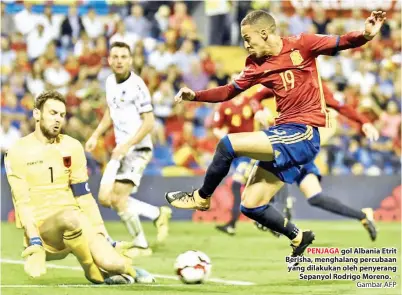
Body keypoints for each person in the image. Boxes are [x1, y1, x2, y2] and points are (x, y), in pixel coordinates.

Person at [165, 10, 386, 264]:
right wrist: (197, 96)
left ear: (264, 32)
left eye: (248, 38)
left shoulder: (302, 44)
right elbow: (228, 92)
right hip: (283, 134)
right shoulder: (256, 65)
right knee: (251, 205)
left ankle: (202, 198)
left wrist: (366, 35)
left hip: (302, 133)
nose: (245, 44)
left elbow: (342, 41)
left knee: (228, 144)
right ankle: (297, 236)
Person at [5, 90, 155, 284]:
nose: (58, 119)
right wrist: (34, 241)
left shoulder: (72, 146)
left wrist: (102, 233)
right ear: (36, 114)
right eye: (52, 113)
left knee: (112, 263)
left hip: (77, 220)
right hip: (45, 233)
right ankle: (90, 269)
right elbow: (22, 202)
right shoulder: (17, 151)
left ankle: (129, 271)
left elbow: (83, 196)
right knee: (69, 216)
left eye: (61, 115)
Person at [252, 84, 378, 241]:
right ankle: (363, 216)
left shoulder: (316, 86)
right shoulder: (285, 78)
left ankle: (281, 208)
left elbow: (341, 107)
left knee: (274, 170)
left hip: (298, 147)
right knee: (315, 198)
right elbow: (255, 98)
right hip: (288, 144)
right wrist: (258, 111)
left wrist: (364, 122)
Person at [86, 42, 172, 257]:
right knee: (107, 199)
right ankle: (156, 213)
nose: (119, 60)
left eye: (123, 56)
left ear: (130, 60)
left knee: (118, 199)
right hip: (121, 149)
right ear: (109, 59)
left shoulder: (137, 86)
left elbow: (150, 122)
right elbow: (111, 112)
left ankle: (141, 244)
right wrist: (96, 135)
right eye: (115, 56)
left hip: (137, 149)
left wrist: (127, 144)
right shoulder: (109, 82)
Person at [211, 86, 269, 236]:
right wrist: (224, 139)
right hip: (235, 152)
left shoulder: (251, 102)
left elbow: (263, 114)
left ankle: (235, 223)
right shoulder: (224, 105)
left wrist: (264, 120)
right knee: (245, 185)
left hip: (249, 149)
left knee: (237, 184)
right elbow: (216, 128)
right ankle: (267, 213)